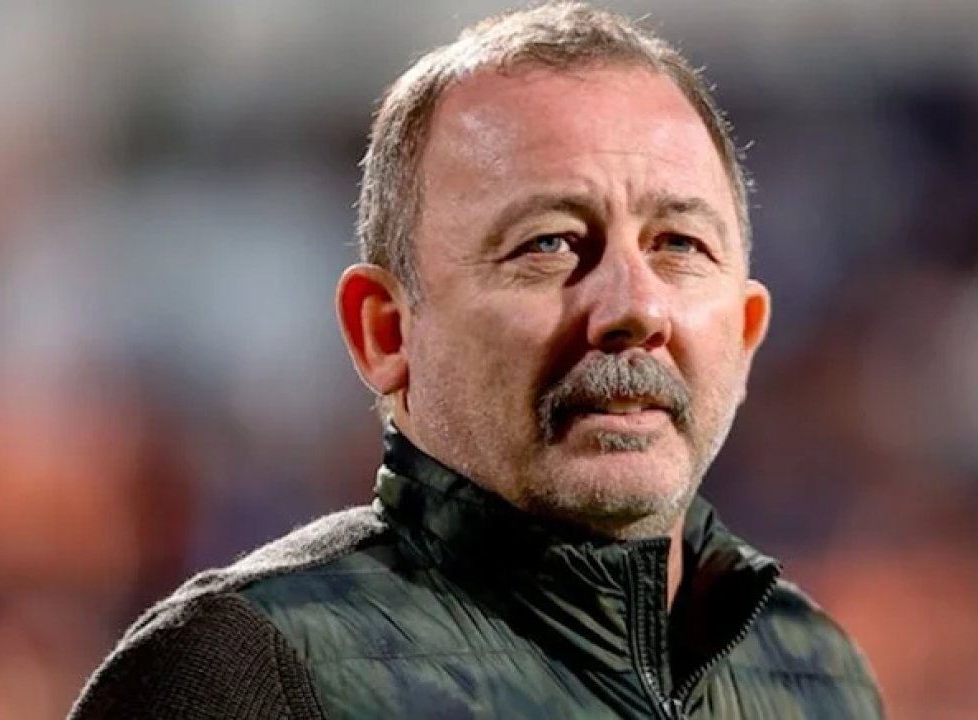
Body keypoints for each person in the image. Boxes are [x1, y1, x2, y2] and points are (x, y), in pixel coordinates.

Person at [71, 3, 884, 718]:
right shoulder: (248, 673)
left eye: (679, 244)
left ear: (745, 334)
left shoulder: (817, 673)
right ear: (387, 333)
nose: (635, 307)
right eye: (549, 243)